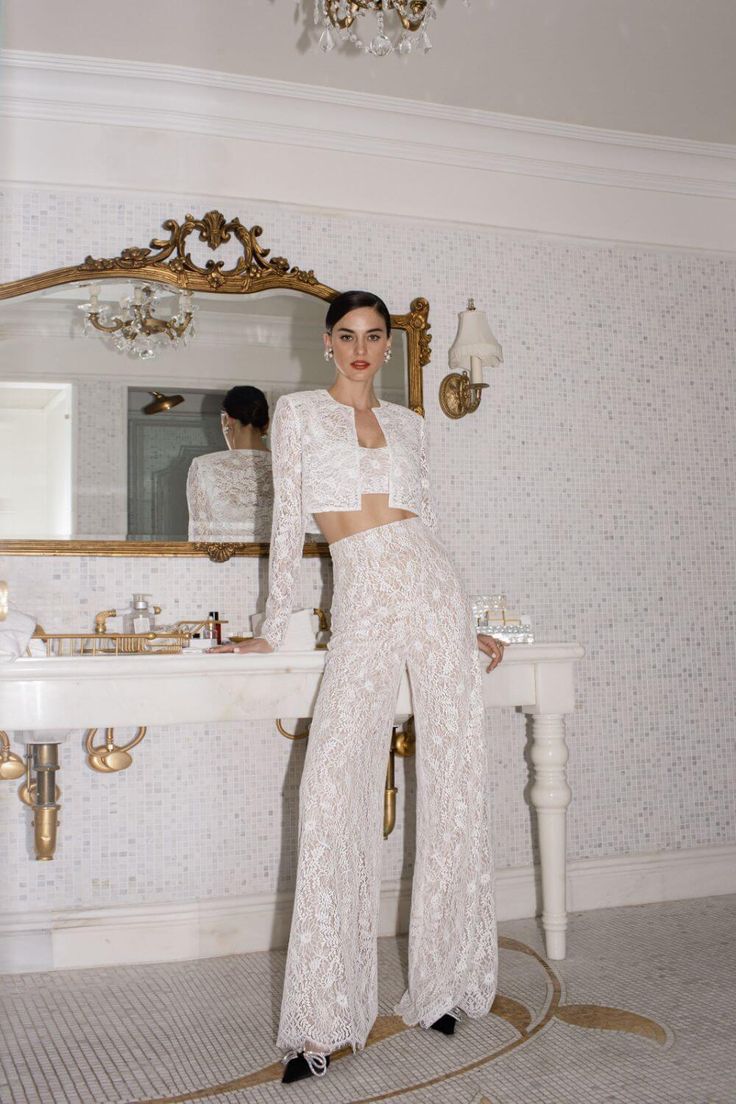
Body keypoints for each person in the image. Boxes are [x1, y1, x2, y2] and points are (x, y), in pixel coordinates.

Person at [210, 291, 504, 1083]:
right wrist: (275, 624)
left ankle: (446, 983)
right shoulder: (299, 415)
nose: (364, 348)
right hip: (365, 594)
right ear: (329, 342)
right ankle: (323, 1018)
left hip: (434, 591)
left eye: (376, 336)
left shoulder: (412, 423)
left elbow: (429, 527)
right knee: (331, 791)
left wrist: (469, 621)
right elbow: (284, 530)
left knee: (457, 780)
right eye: (350, 335)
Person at [186, 385, 273, 542]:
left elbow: (198, 541)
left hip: (223, 564)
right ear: (266, 424)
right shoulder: (288, 467)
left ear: (227, 419)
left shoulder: (204, 467)